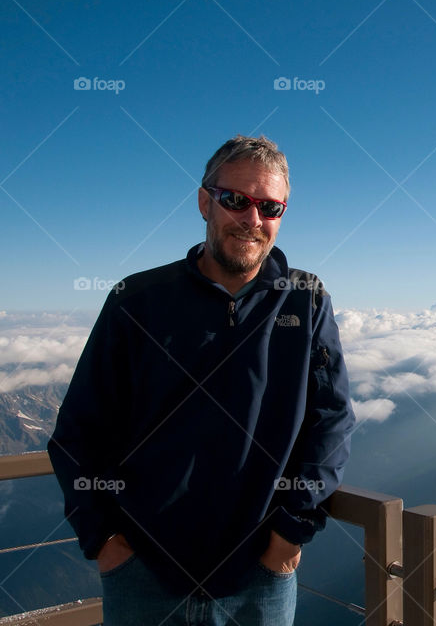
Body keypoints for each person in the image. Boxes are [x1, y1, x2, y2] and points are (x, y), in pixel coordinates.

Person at [47, 135, 356, 625]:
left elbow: (331, 423)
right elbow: (78, 431)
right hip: (143, 577)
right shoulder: (138, 301)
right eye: (236, 200)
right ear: (204, 202)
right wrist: (105, 541)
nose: (252, 219)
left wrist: (289, 535)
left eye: (270, 207)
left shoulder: (305, 300)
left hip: (260, 577)